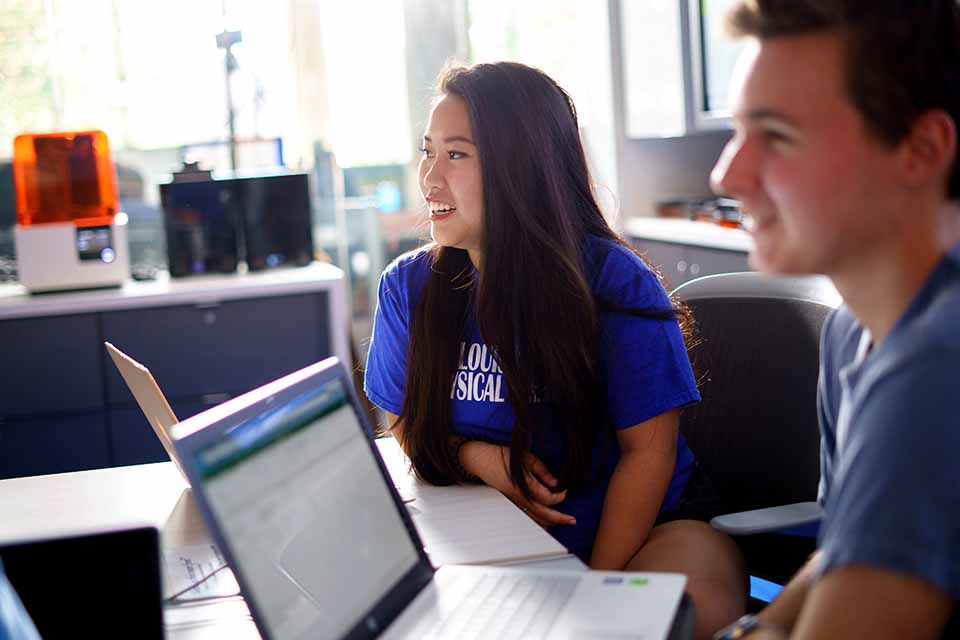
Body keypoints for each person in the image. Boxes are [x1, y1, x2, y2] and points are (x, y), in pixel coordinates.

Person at [364, 61, 745, 639]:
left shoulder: (613, 281)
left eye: (457, 154)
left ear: (520, 167)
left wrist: (591, 587)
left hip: (646, 528)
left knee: (671, 616)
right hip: (494, 535)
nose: (429, 178)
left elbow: (648, 457)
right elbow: (403, 426)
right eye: (428, 151)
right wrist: (476, 457)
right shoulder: (409, 288)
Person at [709, 1, 960, 638]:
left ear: (921, 148)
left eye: (777, 136)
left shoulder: (938, 361)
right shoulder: (852, 334)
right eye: (738, 133)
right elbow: (847, 545)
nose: (726, 174)